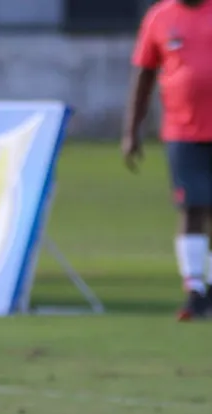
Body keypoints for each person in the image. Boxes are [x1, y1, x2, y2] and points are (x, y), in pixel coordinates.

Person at [124, 0, 212, 320]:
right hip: (182, 132)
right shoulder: (160, 17)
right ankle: (195, 290)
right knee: (191, 207)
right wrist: (131, 130)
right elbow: (143, 74)